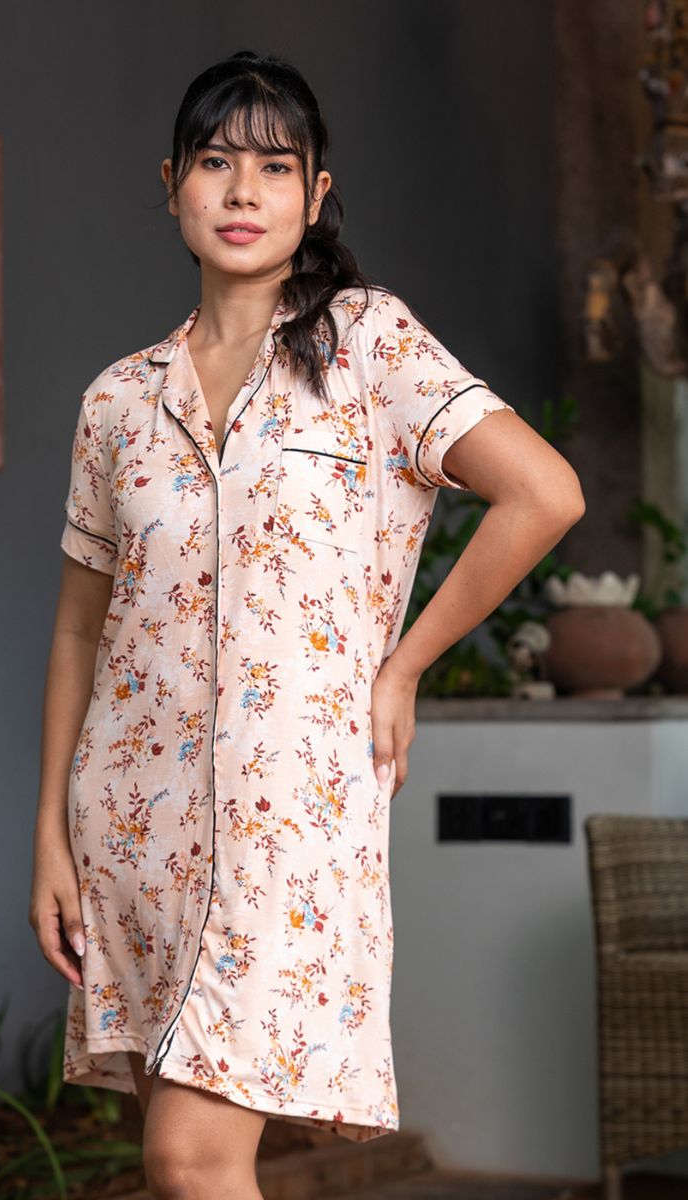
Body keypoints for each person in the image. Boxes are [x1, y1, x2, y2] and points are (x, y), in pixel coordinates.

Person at [29, 49, 584, 1200]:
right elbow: (82, 629)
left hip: (294, 821)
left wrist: (405, 666)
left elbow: (546, 493)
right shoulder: (117, 401)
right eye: (217, 163)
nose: (242, 193)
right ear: (171, 181)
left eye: (274, 167)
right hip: (134, 820)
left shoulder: (370, 346)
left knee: (188, 1161)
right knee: (179, 1156)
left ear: (316, 194)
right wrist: (50, 832)